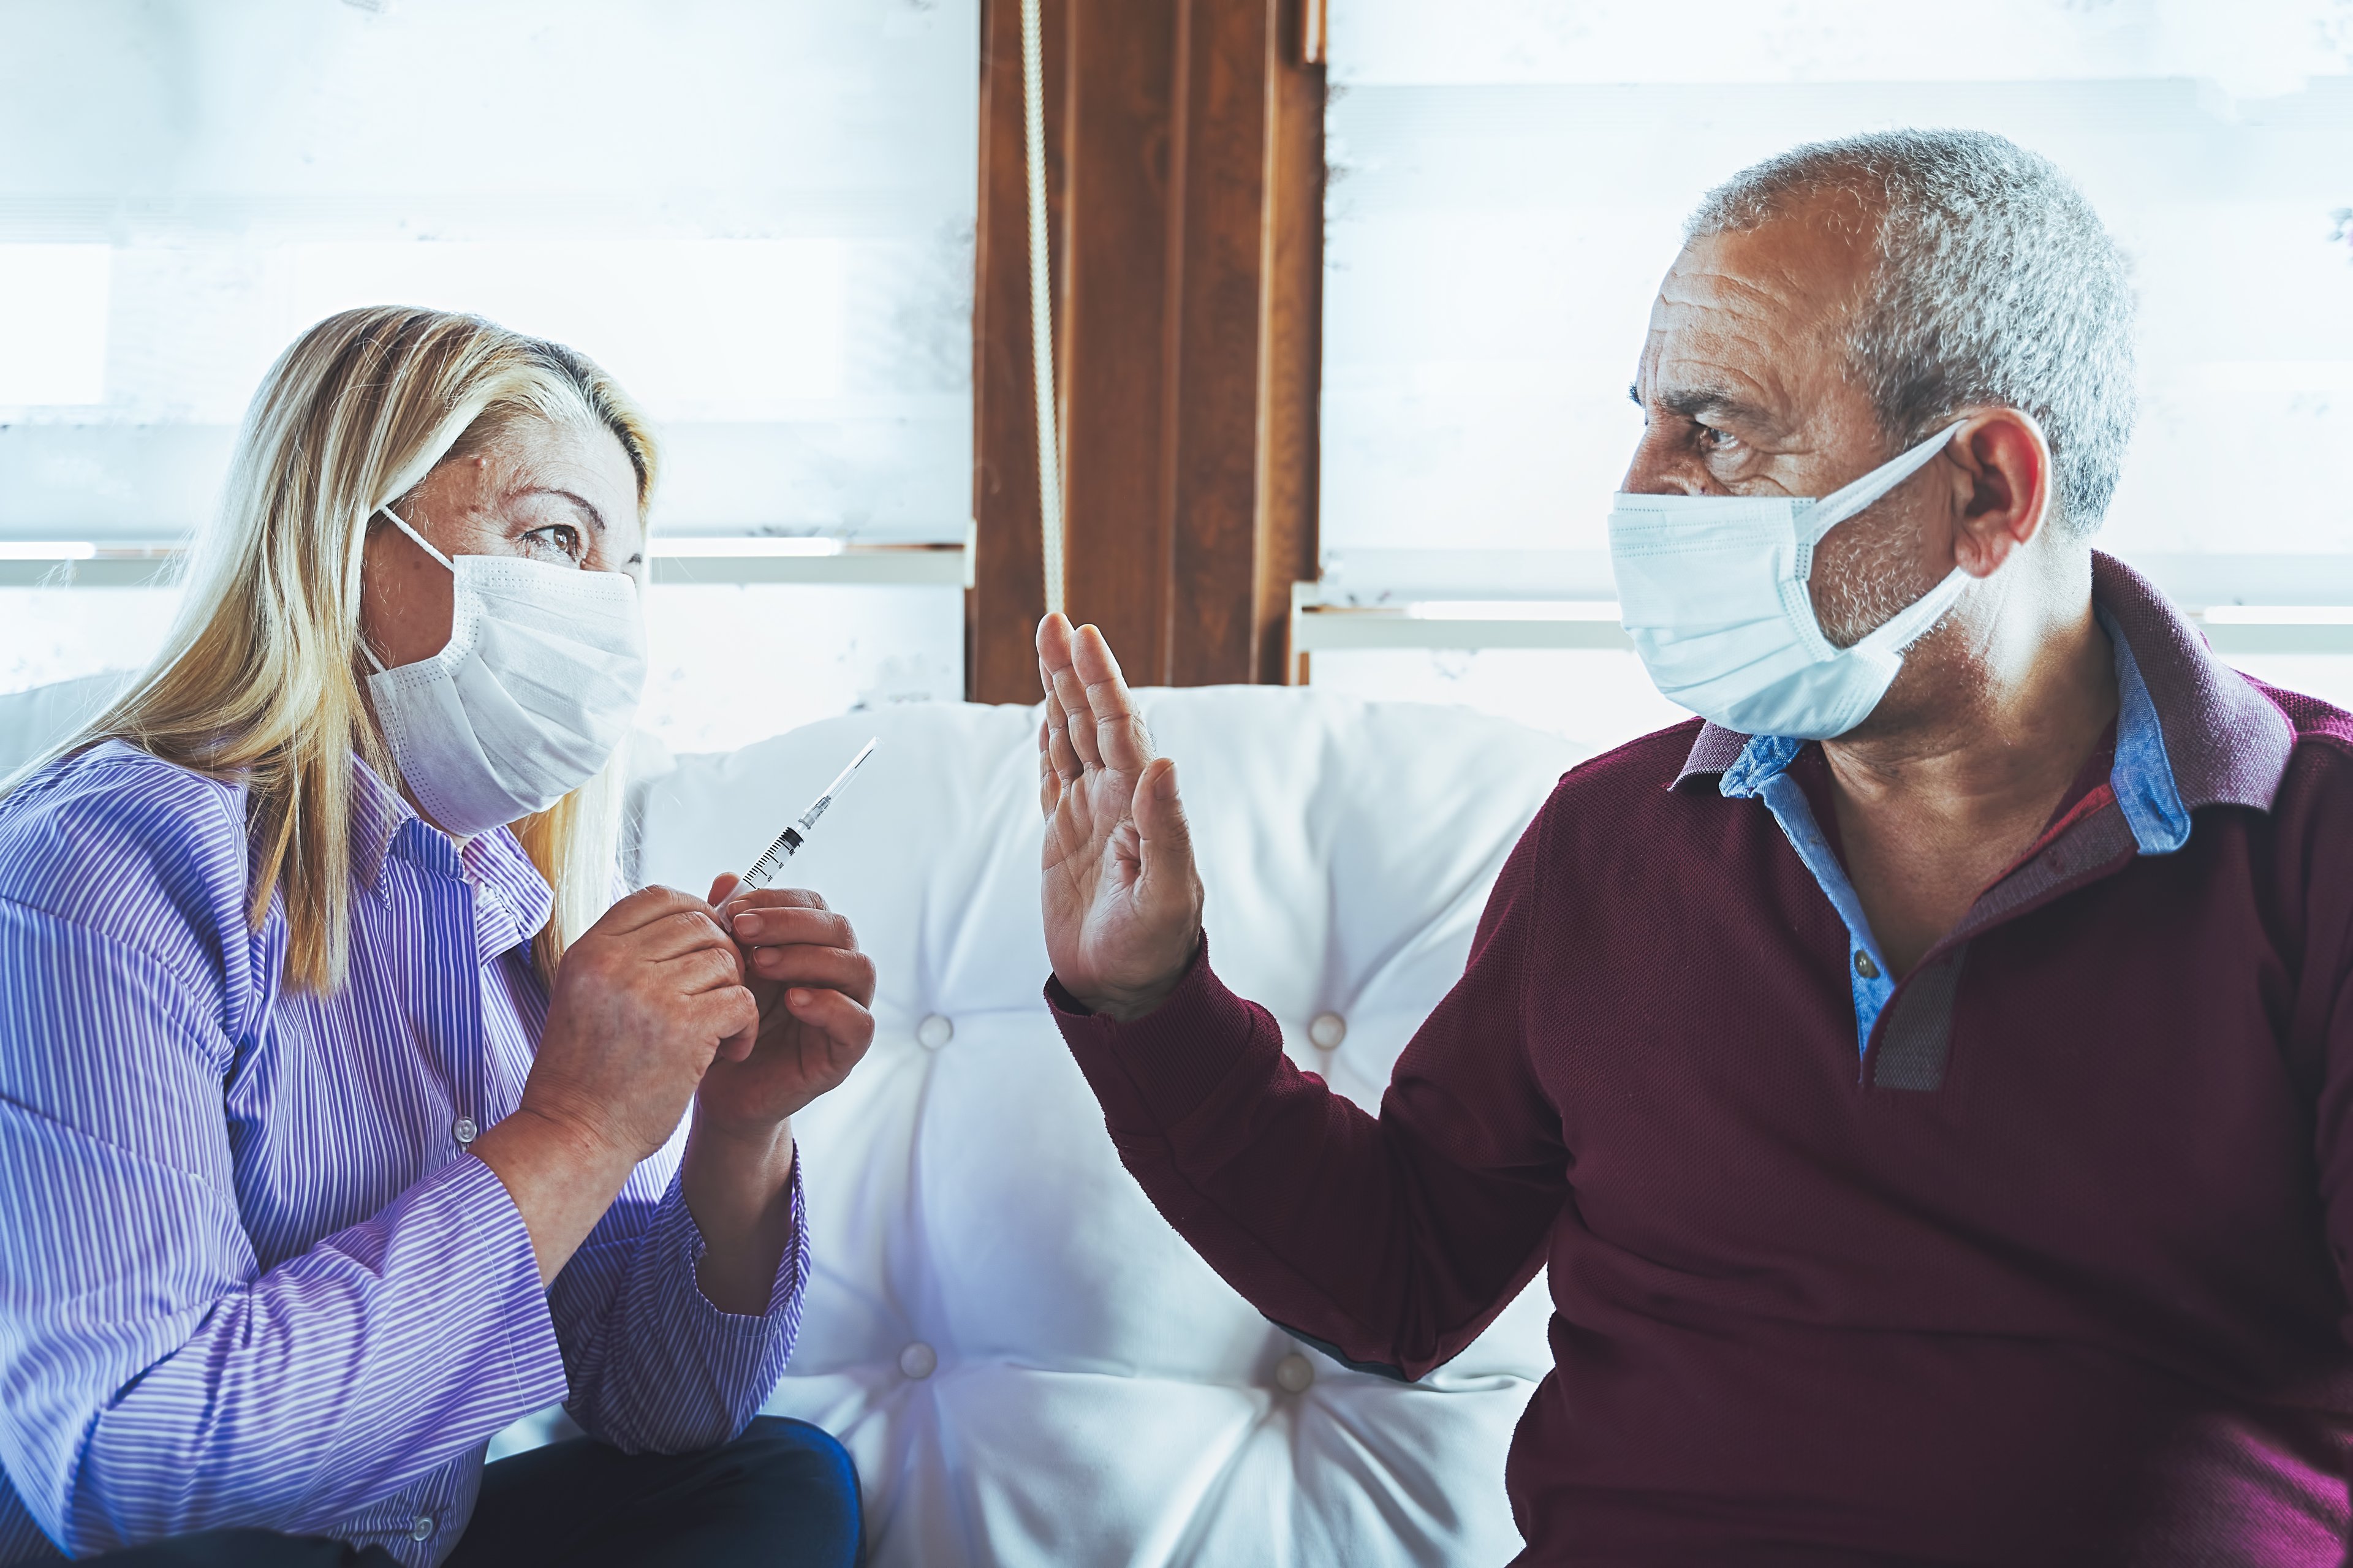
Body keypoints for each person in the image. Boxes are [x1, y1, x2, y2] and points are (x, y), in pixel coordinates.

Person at [1033, 129, 2353, 1565]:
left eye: (1713, 433)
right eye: (1650, 423)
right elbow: (1399, 1278)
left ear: (1986, 490)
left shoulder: (2315, 851)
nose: (1641, 492)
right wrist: (1147, 994)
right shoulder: (1611, 842)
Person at [0, 308, 871, 1567]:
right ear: (347, 533)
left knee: (780, 1480)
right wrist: (569, 1130)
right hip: (191, 1552)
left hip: (410, 1547)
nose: (605, 615)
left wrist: (733, 1133)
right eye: (552, 537)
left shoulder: (499, 897)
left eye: (622, 570)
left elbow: (657, 1404)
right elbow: (123, 1459)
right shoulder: (101, 865)